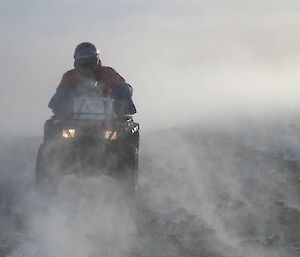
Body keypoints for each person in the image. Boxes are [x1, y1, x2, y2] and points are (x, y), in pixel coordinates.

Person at [48, 42, 136, 117]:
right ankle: (62, 118)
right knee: (62, 94)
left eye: (90, 56)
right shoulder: (70, 75)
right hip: (75, 115)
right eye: (83, 57)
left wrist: (116, 96)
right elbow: (60, 94)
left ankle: (121, 116)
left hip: (108, 112)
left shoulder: (107, 72)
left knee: (124, 88)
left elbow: (122, 87)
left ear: (96, 57)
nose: (87, 60)